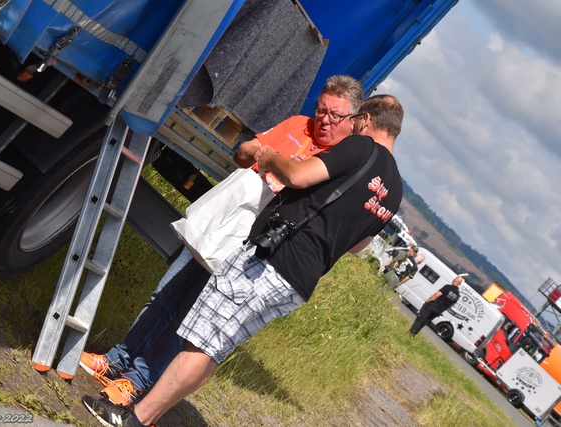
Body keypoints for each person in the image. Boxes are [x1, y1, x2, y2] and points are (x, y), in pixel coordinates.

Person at [82, 94, 405, 427]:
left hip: (272, 258)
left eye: (348, 119)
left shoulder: (361, 148)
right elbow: (357, 246)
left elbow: (297, 176)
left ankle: (135, 415)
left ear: (364, 118)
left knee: (200, 342)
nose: (345, 125)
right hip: (299, 282)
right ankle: (147, 414)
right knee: (213, 348)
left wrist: (269, 157)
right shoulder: (395, 190)